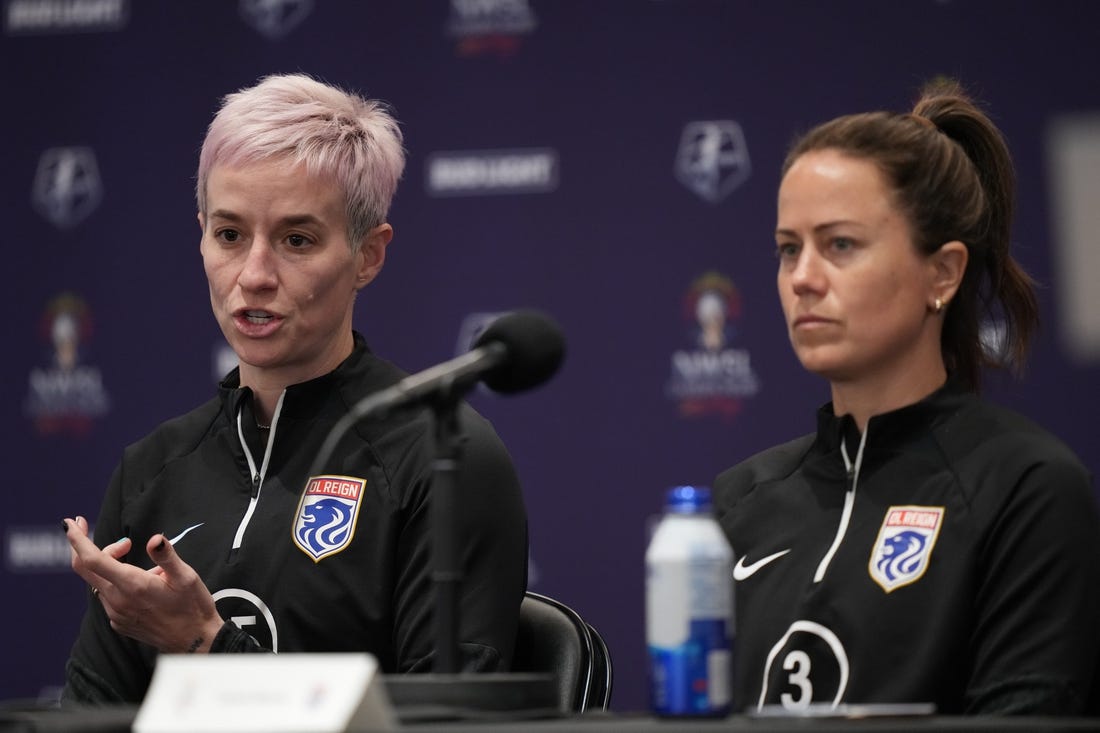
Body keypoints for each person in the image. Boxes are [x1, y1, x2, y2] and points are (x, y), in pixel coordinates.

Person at [61, 73, 528, 704]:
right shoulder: (151, 471)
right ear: (200, 234)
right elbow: (89, 716)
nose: (253, 275)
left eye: (296, 240)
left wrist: (208, 644)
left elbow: (445, 726)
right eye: (229, 235)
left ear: (368, 254)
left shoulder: (442, 460)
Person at [714, 79, 1100, 715]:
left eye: (840, 244)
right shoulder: (736, 503)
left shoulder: (1027, 489)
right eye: (789, 250)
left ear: (943, 273)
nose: (804, 279)